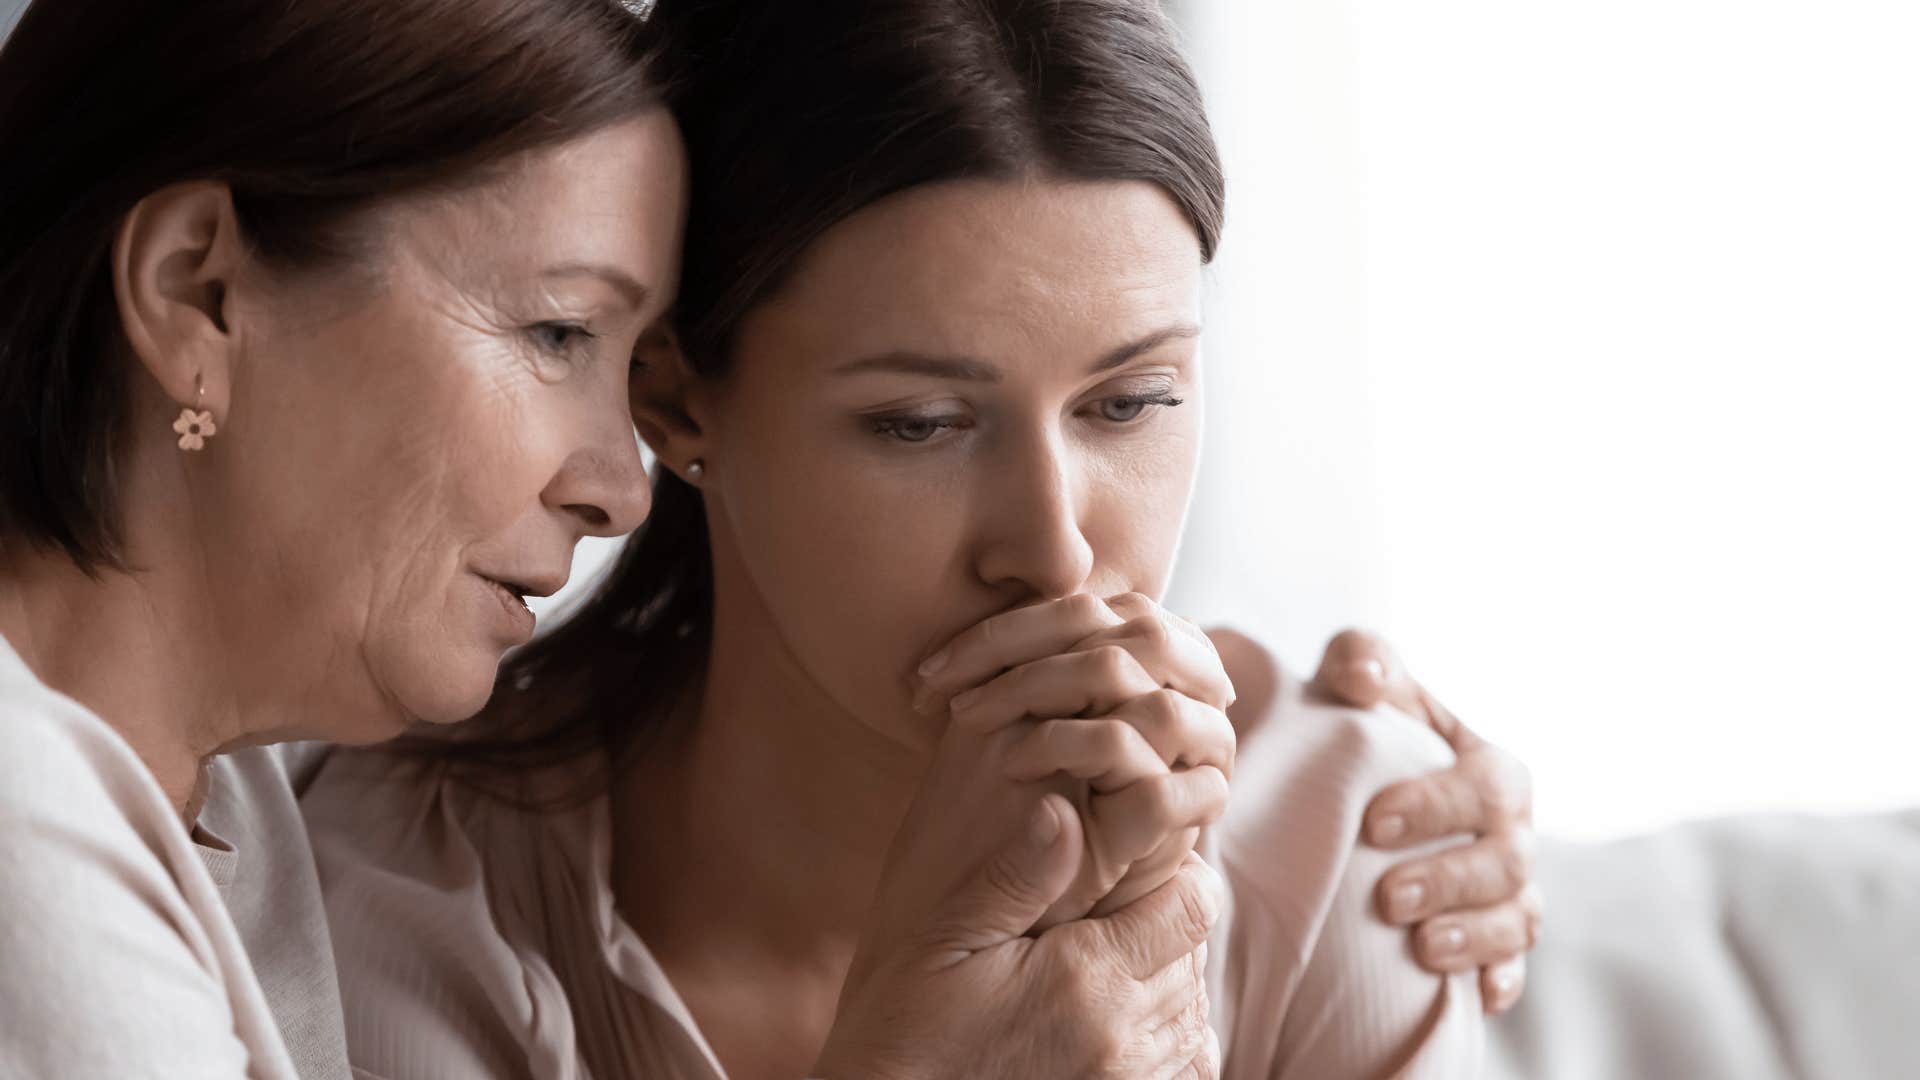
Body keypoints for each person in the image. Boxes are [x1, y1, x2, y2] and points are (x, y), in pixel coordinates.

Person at [0, 1, 1241, 1077]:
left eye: (1131, 401)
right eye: (556, 334)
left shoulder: (230, 803)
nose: (622, 485)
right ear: (198, 291)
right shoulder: (33, 837)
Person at [302, 2, 1536, 1077]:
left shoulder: (1347, 845)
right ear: (676, 400)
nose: (1053, 554)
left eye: (1131, 401)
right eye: (920, 424)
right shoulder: (404, 908)